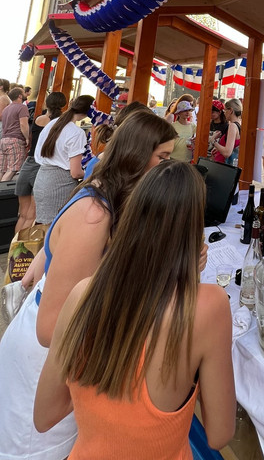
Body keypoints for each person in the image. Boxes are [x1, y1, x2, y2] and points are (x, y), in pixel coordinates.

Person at [0, 110, 179, 459]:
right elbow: (51, 329)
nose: (166, 168)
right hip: (49, 363)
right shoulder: (94, 216)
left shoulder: (109, 196)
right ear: (137, 154)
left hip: (61, 356)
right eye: (163, 157)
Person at [34, 160, 235, 456]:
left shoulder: (81, 294)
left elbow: (44, 415)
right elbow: (220, 434)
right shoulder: (209, 305)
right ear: (193, 233)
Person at [33, 95, 95, 225]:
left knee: (42, 227)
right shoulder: (76, 132)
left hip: (42, 177)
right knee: (57, 227)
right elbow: (75, 172)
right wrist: (92, 173)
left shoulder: (53, 123)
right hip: (61, 183)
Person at [13, 92, 67, 234]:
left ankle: (14, 251)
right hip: (44, 168)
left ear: (46, 104)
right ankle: (25, 253)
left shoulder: (38, 119)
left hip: (28, 164)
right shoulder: (61, 124)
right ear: (63, 105)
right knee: (32, 216)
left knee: (23, 215)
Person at [0, 87, 30, 181]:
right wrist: (27, 138)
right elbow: (23, 124)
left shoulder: (6, 109)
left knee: (2, 169)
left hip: (4, 139)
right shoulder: (22, 107)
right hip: (16, 140)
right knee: (13, 169)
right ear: (20, 96)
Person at [211, 98, 242, 165]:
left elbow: (227, 153)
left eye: (225, 111)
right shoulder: (238, 125)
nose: (224, 113)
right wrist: (218, 148)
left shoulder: (232, 126)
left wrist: (213, 141)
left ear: (230, 110)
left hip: (222, 166)